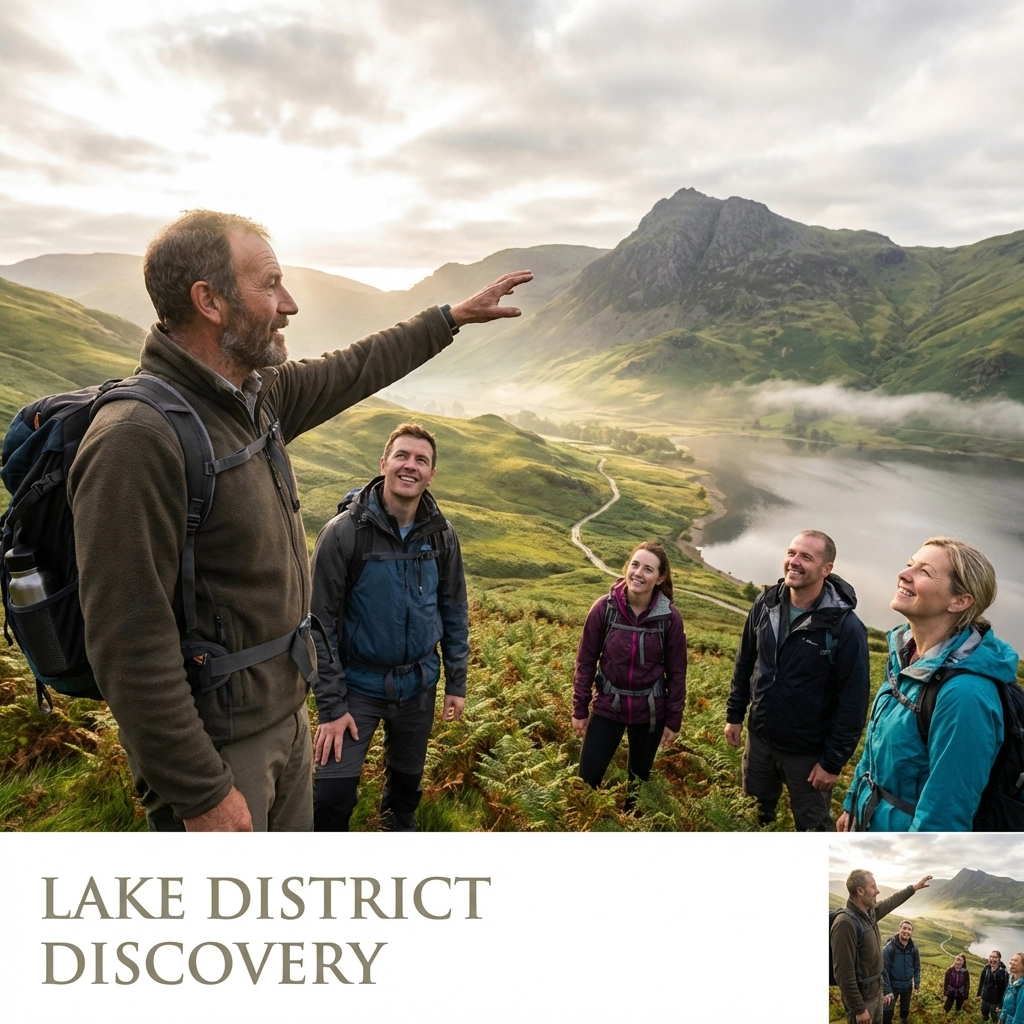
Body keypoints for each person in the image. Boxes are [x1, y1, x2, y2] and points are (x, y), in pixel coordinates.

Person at [69, 209, 531, 831]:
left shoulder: (256, 398)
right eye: (269, 284)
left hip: (285, 716)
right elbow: (127, 642)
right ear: (209, 300)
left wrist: (448, 319)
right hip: (221, 745)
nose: (288, 304)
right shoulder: (136, 438)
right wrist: (201, 791)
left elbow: (354, 366)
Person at [309, 422, 468, 831]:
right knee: (329, 799)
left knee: (405, 794)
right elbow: (317, 624)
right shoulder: (343, 534)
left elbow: (454, 609)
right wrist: (331, 706)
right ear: (384, 464)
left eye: (421, 460)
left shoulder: (443, 536)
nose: (410, 466)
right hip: (356, 687)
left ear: (432, 474)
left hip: (418, 685)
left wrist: (456, 682)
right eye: (402, 455)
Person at [838, 537, 1018, 832]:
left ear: (959, 601)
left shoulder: (965, 697)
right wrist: (852, 804)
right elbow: (877, 748)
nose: (903, 574)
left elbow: (944, 818)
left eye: (923, 571)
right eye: (910, 564)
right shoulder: (908, 657)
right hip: (869, 820)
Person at [724, 530, 869, 831]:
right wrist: (735, 715)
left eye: (806, 556)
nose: (795, 562)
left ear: (826, 569)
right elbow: (745, 661)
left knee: (813, 829)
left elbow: (853, 702)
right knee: (754, 819)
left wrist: (832, 762)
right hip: (760, 740)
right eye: (791, 553)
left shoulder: (845, 626)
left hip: (808, 754)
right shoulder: (766, 604)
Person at [572, 542, 687, 806]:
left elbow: (677, 673)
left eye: (648, 569)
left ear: (659, 578)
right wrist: (579, 708)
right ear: (627, 568)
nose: (638, 573)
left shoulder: (669, 618)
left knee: (637, 789)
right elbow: (586, 662)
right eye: (635, 565)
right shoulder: (604, 608)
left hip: (650, 713)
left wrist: (673, 720)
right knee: (585, 784)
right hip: (607, 708)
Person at [832, 869, 932, 1024]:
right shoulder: (845, 923)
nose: (877, 891)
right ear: (860, 890)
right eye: (873, 887)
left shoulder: (870, 913)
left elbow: (891, 901)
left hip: (876, 992)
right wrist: (859, 1009)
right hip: (863, 1000)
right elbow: (843, 973)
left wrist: (913, 888)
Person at [882, 920, 921, 1024]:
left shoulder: (914, 949)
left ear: (912, 932)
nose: (906, 931)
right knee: (887, 1011)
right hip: (892, 985)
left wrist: (916, 984)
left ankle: (903, 1020)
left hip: (907, 986)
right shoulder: (889, 948)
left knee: (905, 1009)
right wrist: (887, 990)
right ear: (899, 929)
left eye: (909, 929)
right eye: (904, 928)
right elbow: (883, 970)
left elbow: (917, 967)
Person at [979, 951, 1009, 1022]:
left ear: (999, 959)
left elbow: (1006, 989)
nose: (992, 959)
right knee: (984, 1012)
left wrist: (1002, 1004)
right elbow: (981, 981)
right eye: (991, 957)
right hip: (985, 998)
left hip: (996, 1002)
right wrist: (979, 994)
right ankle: (985, 1020)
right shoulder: (986, 968)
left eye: (995, 957)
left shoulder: (1004, 972)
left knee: (995, 1017)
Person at [1000, 954, 1024, 1024]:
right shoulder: (1012, 980)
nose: (1011, 962)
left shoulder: (1022, 986)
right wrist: (1001, 1016)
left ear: (1023, 966)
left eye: (1016, 961)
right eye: (1012, 960)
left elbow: (1020, 1016)